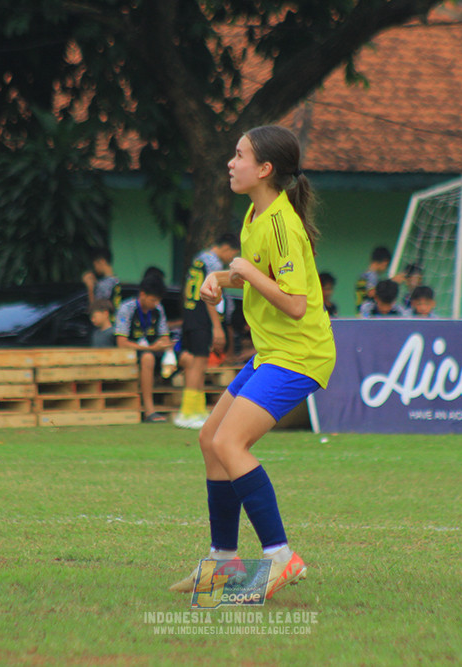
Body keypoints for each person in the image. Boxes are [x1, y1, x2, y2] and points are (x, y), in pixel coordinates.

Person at [169, 125, 335, 600]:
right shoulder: (254, 214)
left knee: (229, 442)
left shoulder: (281, 224)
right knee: (209, 438)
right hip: (272, 355)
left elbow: (298, 304)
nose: (230, 162)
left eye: (239, 155)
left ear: (264, 169)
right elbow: (261, 278)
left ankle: (281, 558)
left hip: (300, 355)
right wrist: (224, 277)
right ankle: (222, 563)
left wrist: (239, 271)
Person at [174, 233, 241, 430]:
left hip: (190, 314)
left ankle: (196, 408)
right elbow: (210, 294)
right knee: (199, 363)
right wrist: (216, 325)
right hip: (201, 317)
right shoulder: (213, 263)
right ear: (226, 248)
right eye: (233, 254)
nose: (231, 259)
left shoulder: (199, 259)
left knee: (194, 362)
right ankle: (188, 412)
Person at [114, 275, 173, 423]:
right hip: (133, 353)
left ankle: (184, 408)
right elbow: (121, 342)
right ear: (142, 295)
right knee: (148, 357)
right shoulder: (127, 308)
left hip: (154, 350)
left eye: (158, 300)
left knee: (187, 358)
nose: (156, 303)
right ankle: (149, 411)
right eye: (153, 300)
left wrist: (165, 344)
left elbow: (164, 335)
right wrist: (151, 348)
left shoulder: (158, 309)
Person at [81, 247, 121, 316]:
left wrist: (90, 287)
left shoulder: (103, 285)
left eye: (95, 264)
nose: (95, 268)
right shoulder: (116, 281)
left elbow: (96, 311)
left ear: (102, 261)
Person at [355, 246, 391, 313]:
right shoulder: (372, 276)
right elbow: (371, 293)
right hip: (368, 312)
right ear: (384, 262)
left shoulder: (362, 276)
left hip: (359, 311)